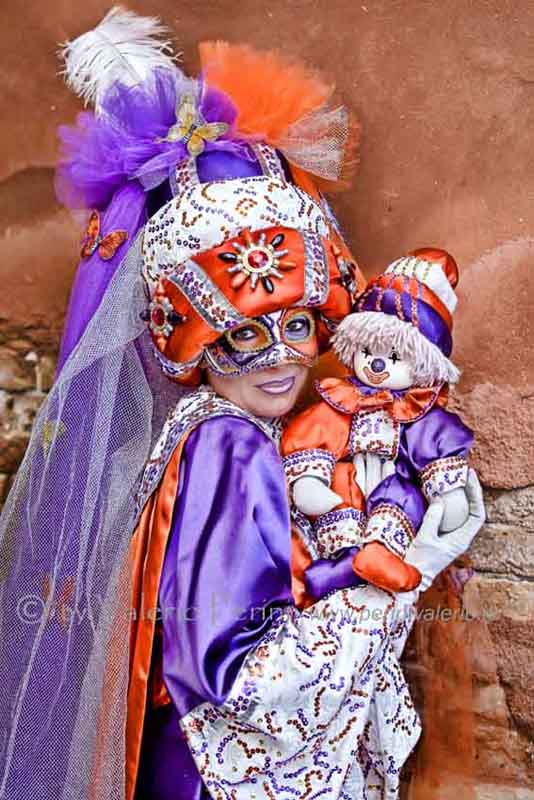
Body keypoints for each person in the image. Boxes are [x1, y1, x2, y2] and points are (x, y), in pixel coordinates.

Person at [0, 10, 485, 800]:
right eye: (238, 336)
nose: (282, 357)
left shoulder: (204, 433)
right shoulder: (231, 444)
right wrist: (397, 577)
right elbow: (240, 673)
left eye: (297, 324)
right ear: (187, 341)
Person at [281, 247, 476, 595]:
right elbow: (314, 431)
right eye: (368, 353)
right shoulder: (342, 400)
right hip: (348, 487)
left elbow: (434, 445)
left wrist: (449, 494)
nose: (376, 365)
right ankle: (343, 560)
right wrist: (309, 480)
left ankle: (381, 555)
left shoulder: (418, 414)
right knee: (340, 482)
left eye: (395, 357)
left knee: (402, 496)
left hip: (393, 483)